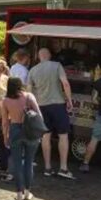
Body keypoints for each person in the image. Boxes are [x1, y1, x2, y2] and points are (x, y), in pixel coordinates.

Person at [28, 48, 74, 179]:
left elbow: (29, 91)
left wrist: (32, 106)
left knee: (46, 136)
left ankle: (47, 168)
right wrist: (69, 100)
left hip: (41, 106)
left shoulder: (33, 70)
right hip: (58, 104)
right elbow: (65, 83)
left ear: (39, 57)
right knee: (63, 135)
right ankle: (63, 168)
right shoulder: (57, 65)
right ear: (49, 55)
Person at [1, 77, 43, 200]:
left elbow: (4, 122)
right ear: (20, 85)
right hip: (30, 130)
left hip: (15, 130)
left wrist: (5, 136)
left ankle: (19, 193)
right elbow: (39, 114)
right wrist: (39, 132)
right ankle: (28, 192)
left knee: (17, 163)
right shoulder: (29, 96)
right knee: (29, 162)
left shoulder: (6, 101)